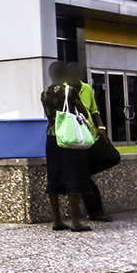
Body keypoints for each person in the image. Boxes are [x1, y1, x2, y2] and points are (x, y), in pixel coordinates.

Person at [41, 61, 94, 232]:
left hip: (51, 137)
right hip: (68, 138)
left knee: (53, 177)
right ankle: (75, 221)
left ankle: (57, 220)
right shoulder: (69, 91)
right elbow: (84, 112)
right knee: (73, 177)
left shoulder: (44, 93)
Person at [71, 63, 114, 222]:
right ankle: (96, 212)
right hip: (75, 139)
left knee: (112, 156)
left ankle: (84, 172)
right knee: (83, 177)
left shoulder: (87, 88)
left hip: (92, 136)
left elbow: (94, 110)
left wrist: (101, 127)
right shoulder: (64, 90)